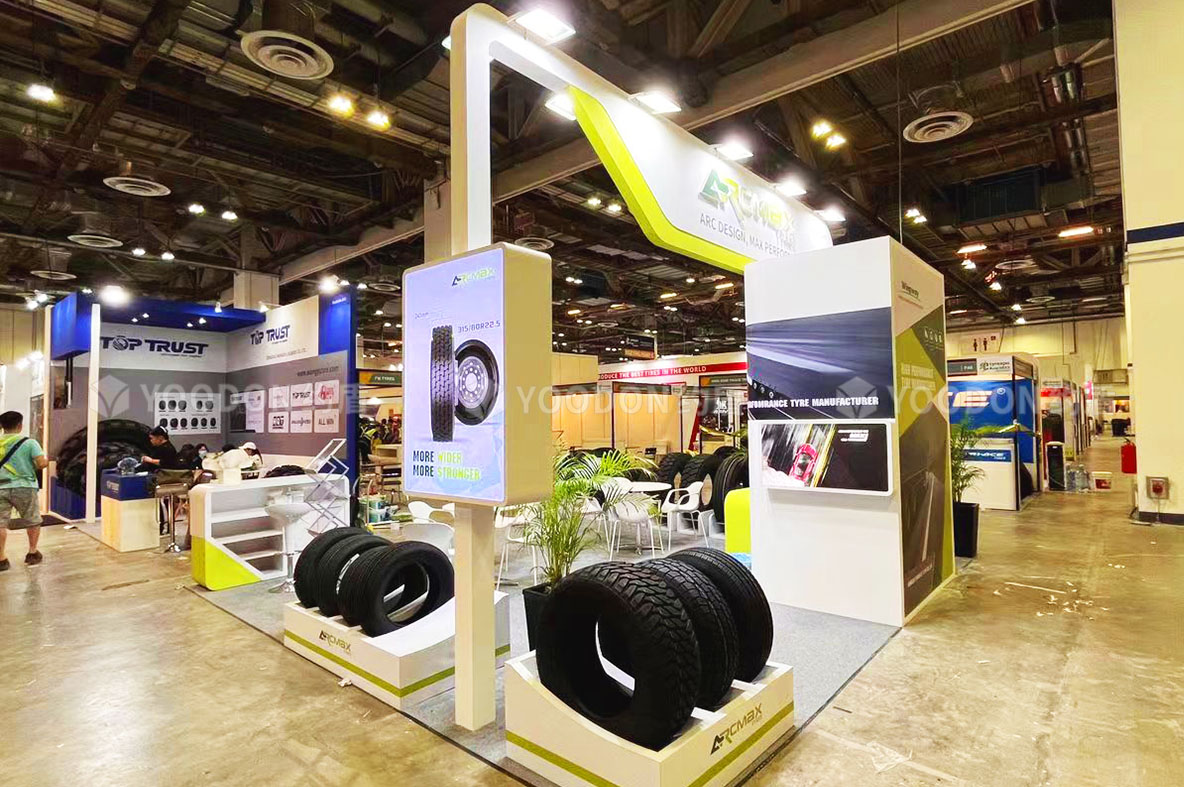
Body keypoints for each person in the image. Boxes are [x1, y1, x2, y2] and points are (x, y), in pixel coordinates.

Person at [0, 410, 50, 570]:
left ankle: (1, 559)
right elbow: (41, 463)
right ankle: (32, 553)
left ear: (2, 426)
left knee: (0, 524)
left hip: (0, 487)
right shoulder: (29, 443)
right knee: (32, 520)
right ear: (20, 425)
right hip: (25, 487)